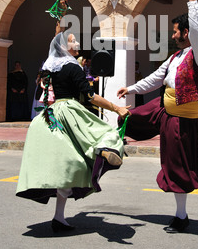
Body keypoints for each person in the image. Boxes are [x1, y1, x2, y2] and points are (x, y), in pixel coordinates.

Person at [117, 0, 198, 233]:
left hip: (183, 119)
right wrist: (131, 88)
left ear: (185, 32)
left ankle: (181, 216)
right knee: (128, 117)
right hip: (165, 110)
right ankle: (114, 143)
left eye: (175, 31)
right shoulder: (175, 57)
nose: (173, 35)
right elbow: (155, 78)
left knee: (177, 166)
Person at [16, 31, 130, 233]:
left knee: (66, 166)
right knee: (103, 132)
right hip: (69, 111)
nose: (77, 42)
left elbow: (44, 84)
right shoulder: (71, 66)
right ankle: (102, 150)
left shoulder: (52, 67)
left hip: (51, 114)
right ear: (64, 47)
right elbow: (90, 96)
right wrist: (117, 108)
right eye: (72, 41)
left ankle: (59, 217)